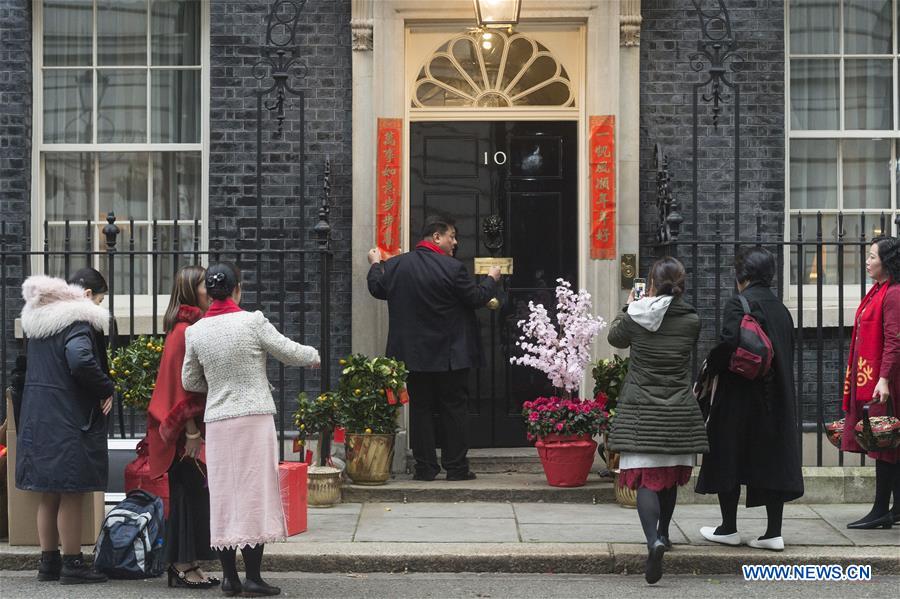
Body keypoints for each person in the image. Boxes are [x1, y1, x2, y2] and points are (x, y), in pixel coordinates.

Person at [182, 262, 320, 597]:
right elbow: (288, 351)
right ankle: (254, 577)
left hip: (218, 420)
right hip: (254, 417)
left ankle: (230, 578)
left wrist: (215, 383)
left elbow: (189, 380)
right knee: (255, 492)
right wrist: (313, 355)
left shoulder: (195, 331)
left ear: (208, 293)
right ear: (236, 289)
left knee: (225, 495)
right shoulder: (252, 321)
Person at [367, 215, 500, 481]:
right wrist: (491, 279)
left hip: (413, 356)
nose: (455, 242)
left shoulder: (396, 266)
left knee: (420, 410)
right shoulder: (453, 268)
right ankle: (456, 467)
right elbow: (475, 298)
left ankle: (425, 468)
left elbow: (377, 288)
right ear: (436, 237)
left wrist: (376, 263)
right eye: (451, 236)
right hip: (451, 355)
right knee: (454, 410)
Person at [607, 257, 709, 584]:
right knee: (669, 474)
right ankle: (664, 532)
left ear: (651, 282)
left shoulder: (637, 315)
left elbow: (615, 339)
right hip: (677, 407)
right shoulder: (692, 319)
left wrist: (629, 307)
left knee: (644, 478)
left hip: (641, 407)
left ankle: (654, 540)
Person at [696, 247, 803, 551]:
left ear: (742, 275)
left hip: (739, 398)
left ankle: (728, 527)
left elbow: (730, 346)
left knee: (728, 455)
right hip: (776, 397)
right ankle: (773, 533)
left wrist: (708, 367)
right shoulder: (781, 310)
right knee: (772, 460)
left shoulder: (739, 304)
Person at [17, 268, 114, 584]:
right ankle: (73, 563)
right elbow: (80, 359)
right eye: (99, 300)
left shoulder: (40, 320)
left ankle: (49, 564)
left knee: (49, 493)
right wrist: (105, 388)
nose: (98, 307)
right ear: (87, 296)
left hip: (39, 416)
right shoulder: (78, 321)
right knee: (72, 491)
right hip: (68, 417)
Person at [146, 265, 219, 588]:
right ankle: (180, 565)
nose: (210, 289)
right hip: (182, 433)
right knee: (186, 495)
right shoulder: (183, 331)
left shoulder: (194, 327)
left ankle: (189, 563)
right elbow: (181, 386)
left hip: (190, 429)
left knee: (193, 495)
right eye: (205, 285)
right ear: (191, 290)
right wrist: (190, 431)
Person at [841, 236, 900, 529]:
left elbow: (894, 340)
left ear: (886, 262)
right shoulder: (878, 291)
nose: (867, 261)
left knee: (883, 441)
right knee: (889, 442)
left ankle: (880, 511)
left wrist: (885, 378)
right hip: (880, 378)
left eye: (872, 256)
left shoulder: (892, 295)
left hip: (887, 382)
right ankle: (895, 509)